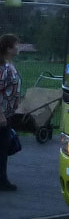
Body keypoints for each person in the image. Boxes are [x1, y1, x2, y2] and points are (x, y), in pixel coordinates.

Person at [0, 33, 21, 191]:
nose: (18, 47)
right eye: (16, 45)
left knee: (4, 148)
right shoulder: (3, 68)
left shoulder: (9, 65)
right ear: (8, 48)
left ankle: (2, 178)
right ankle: (2, 181)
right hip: (2, 115)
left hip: (8, 114)